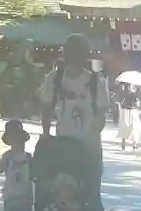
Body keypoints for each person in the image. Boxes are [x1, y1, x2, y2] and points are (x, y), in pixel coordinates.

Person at [39, 35, 110, 211]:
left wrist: (91, 136)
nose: (74, 55)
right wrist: (46, 135)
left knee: (90, 197)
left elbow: (101, 115)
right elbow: (46, 109)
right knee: (58, 194)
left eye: (79, 51)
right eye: (71, 51)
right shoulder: (54, 79)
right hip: (62, 145)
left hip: (88, 147)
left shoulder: (96, 81)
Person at [0, 118, 34, 211]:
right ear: (10, 142)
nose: (19, 143)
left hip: (25, 196)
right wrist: (3, 161)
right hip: (11, 196)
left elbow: (33, 175)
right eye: (15, 140)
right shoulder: (8, 156)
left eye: (21, 140)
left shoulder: (28, 157)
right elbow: (0, 169)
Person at [116, 84, 141, 152]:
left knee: (124, 127)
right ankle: (134, 144)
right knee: (134, 128)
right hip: (132, 111)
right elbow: (137, 104)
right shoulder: (133, 94)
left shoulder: (122, 93)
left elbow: (119, 102)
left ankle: (123, 143)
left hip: (124, 112)